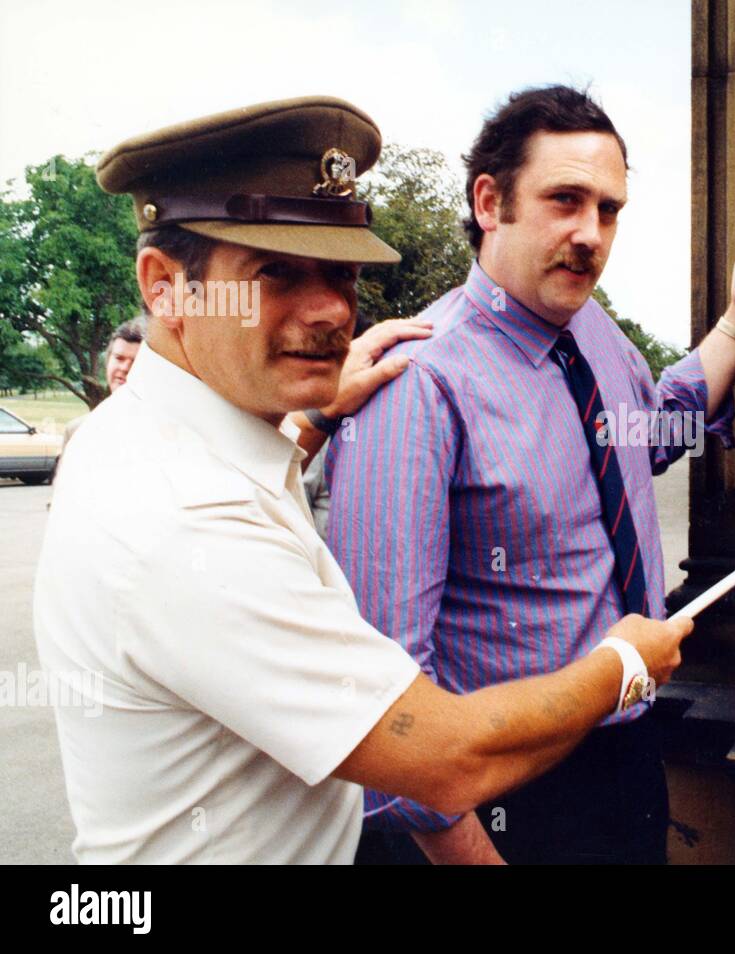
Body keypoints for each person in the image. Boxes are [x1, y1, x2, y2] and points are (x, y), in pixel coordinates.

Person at [32, 95, 690, 864]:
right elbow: (444, 759)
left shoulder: (145, 437)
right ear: (165, 285)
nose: (327, 312)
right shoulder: (184, 524)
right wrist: (625, 665)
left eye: (341, 273)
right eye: (275, 273)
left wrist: (309, 419)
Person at [326, 85, 735, 864]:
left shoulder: (599, 338)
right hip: (497, 808)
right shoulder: (418, 382)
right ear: (490, 201)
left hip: (624, 765)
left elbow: (652, 433)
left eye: (608, 210)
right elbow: (383, 704)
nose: (590, 234)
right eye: (564, 201)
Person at [61, 317, 145, 446]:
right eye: (119, 358)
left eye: (135, 361)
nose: (124, 368)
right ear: (108, 361)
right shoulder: (77, 431)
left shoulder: (165, 434)